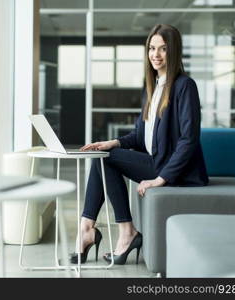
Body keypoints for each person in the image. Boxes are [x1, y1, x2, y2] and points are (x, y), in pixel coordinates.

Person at [70, 24, 209, 265]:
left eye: (163, 49)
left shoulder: (185, 86)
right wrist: (111, 142)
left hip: (177, 170)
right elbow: (138, 136)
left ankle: (111, 232)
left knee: (107, 159)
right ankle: (94, 228)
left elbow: (189, 139)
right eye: (152, 48)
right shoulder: (153, 87)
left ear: (174, 51)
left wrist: (160, 178)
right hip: (157, 161)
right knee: (104, 156)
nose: (156, 54)